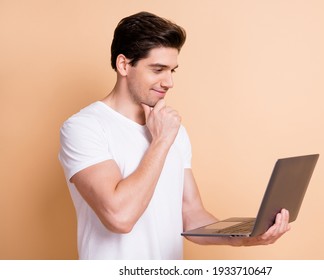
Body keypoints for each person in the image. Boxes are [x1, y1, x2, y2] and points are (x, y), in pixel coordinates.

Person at [59, 11, 290, 260]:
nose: (169, 82)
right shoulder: (84, 127)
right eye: (158, 69)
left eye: (172, 70)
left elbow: (191, 215)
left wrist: (246, 237)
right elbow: (119, 217)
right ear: (124, 65)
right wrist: (161, 141)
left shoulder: (172, 128)